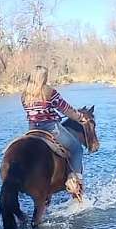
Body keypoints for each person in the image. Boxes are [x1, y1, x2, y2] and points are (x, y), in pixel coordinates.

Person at [20, 66, 87, 198]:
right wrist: (80, 117)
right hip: (50, 127)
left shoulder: (24, 95)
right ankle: (74, 180)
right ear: (43, 78)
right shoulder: (49, 92)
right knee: (76, 148)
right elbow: (65, 109)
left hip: (32, 129)